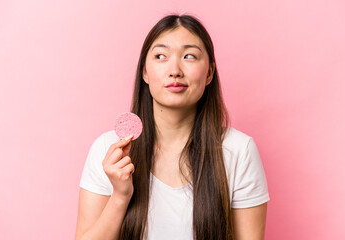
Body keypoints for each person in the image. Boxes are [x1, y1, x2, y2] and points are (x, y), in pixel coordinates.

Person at [75, 14, 270, 240]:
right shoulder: (109, 151)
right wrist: (120, 196)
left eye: (189, 56)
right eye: (161, 56)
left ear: (209, 73)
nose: (175, 70)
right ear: (145, 72)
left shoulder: (239, 150)